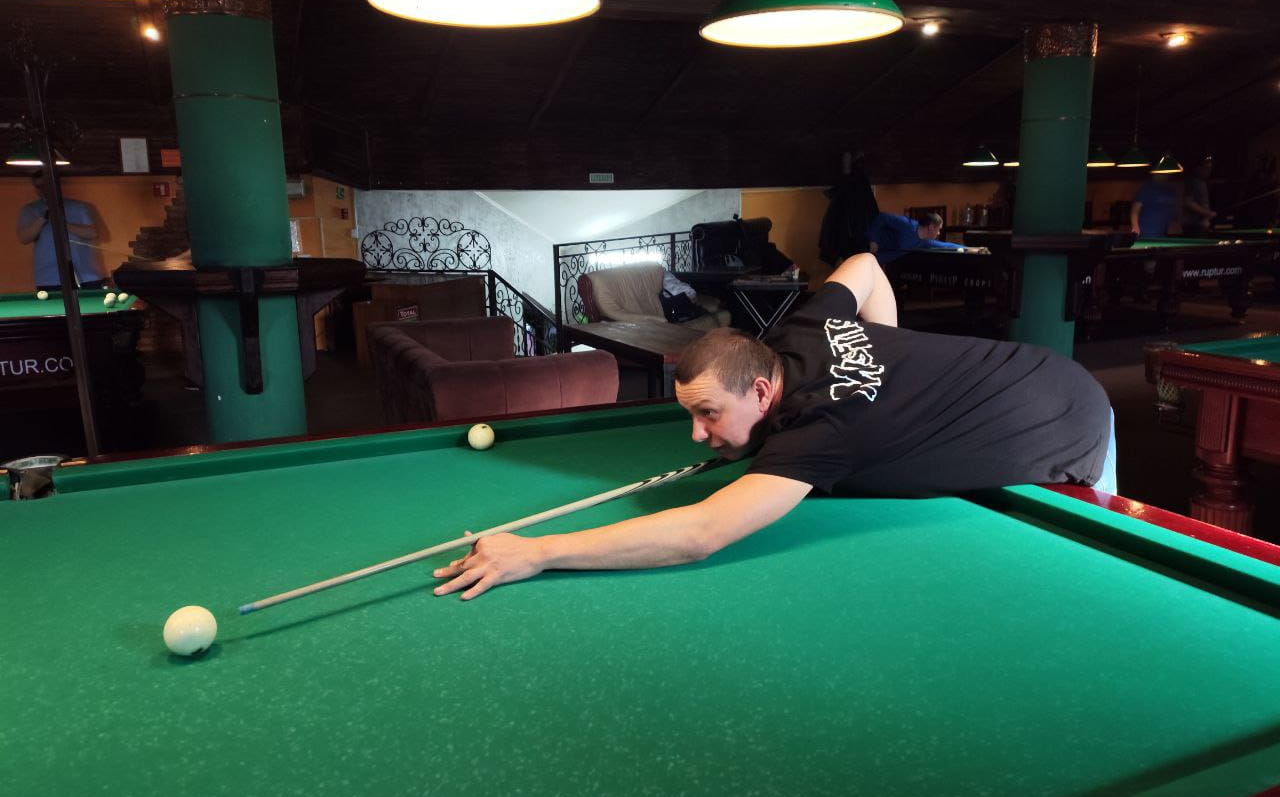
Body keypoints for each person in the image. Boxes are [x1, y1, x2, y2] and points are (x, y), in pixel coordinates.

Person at [433, 252, 1115, 600]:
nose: (697, 434)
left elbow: (699, 534)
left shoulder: (821, 432)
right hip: (1034, 368)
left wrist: (538, 552)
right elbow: (867, 266)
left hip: (1067, 422)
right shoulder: (800, 330)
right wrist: (887, 359)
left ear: (762, 390)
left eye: (709, 414)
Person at [15, 172, 108, 289]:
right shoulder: (30, 210)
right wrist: (43, 218)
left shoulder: (78, 207)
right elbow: (24, 238)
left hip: (86, 275)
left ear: (56, 184)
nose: (43, 190)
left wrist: (61, 223)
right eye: (39, 186)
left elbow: (92, 233)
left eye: (47, 185)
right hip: (49, 279)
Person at [864, 211, 965, 265]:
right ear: (931, 227)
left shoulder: (925, 242)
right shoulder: (906, 224)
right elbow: (883, 217)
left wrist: (967, 248)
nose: (938, 233)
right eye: (938, 229)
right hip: (865, 246)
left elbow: (946, 245)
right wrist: (873, 240)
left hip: (873, 260)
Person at [1129, 172, 1178, 239]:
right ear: (1154, 174)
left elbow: (1173, 209)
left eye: (1165, 173)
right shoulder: (1147, 188)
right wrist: (1135, 226)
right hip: (1146, 232)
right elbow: (1135, 209)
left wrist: (1174, 223)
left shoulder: (1170, 190)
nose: (1163, 175)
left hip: (1163, 232)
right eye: (1160, 173)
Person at [1181, 155, 1216, 236]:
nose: (1209, 170)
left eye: (1210, 168)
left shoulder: (1202, 182)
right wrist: (1208, 213)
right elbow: (1188, 202)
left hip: (1201, 225)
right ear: (1198, 168)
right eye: (1206, 167)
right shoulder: (1192, 182)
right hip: (1193, 226)